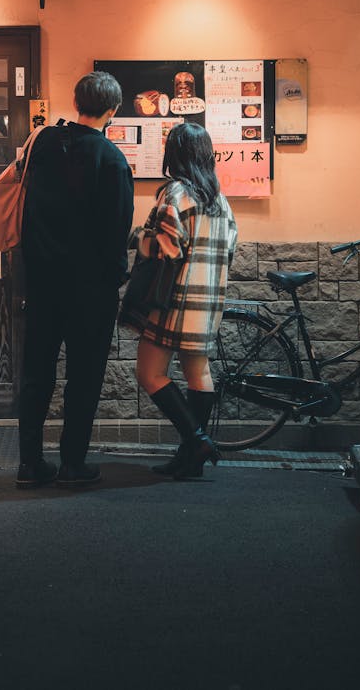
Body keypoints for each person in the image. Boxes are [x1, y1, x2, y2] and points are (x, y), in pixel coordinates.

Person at [16, 71, 134, 489]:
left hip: (42, 284)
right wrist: (114, 279)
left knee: (36, 373)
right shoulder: (112, 160)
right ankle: (72, 463)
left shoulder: (43, 144)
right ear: (113, 110)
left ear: (76, 100)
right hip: (89, 291)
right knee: (83, 377)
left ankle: (29, 463)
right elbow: (116, 232)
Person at [122, 122, 238, 480]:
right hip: (208, 301)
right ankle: (191, 458)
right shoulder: (220, 199)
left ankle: (198, 440)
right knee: (198, 371)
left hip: (174, 301)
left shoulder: (176, 192)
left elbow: (166, 248)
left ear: (174, 154)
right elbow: (230, 248)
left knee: (149, 372)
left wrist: (138, 238)